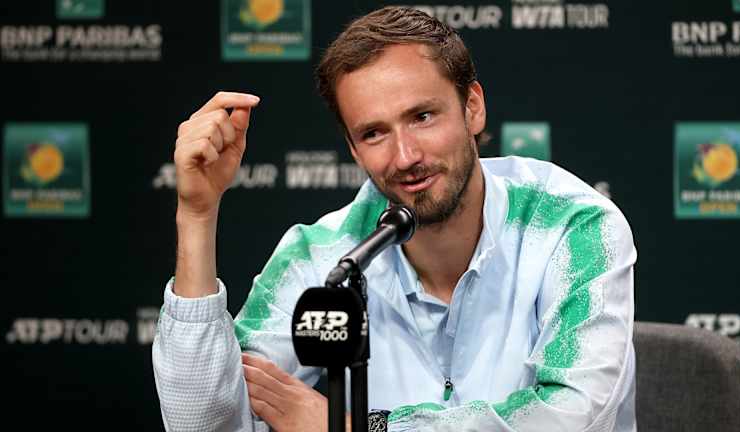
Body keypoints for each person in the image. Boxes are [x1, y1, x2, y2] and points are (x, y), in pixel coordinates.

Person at [152, 6, 637, 432]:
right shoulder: (323, 257)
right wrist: (197, 214)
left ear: (472, 107)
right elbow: (205, 425)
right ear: (352, 148)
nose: (405, 156)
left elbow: (575, 418)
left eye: (423, 116)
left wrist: (363, 428)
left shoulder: (572, 226)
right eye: (374, 133)